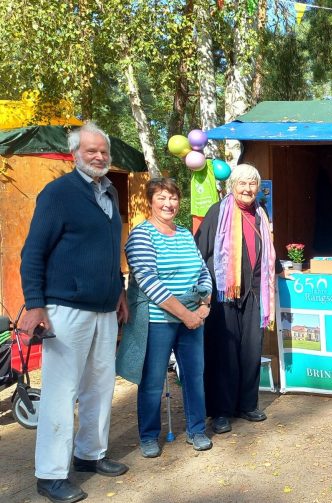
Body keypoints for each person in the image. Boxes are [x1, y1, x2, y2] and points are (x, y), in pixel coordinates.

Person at [20, 122, 129, 503]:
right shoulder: (58, 193)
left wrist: (119, 290)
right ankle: (49, 475)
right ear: (74, 154)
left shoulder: (109, 194)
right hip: (65, 309)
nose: (98, 156)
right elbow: (33, 252)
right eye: (90, 151)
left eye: (103, 151)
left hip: (103, 309)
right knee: (60, 392)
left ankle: (90, 454)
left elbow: (107, 248)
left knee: (100, 386)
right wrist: (35, 305)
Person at [118, 178, 213, 458]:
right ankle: (148, 435)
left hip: (193, 318)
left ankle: (196, 430)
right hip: (158, 320)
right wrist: (186, 315)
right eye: (161, 198)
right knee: (152, 380)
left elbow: (202, 270)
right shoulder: (141, 235)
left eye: (173, 198)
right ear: (150, 201)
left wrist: (205, 304)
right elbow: (148, 281)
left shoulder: (184, 233)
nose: (168, 204)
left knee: (194, 377)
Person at [195, 164, 280, 435]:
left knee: (250, 350)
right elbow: (200, 252)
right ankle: (221, 411)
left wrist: (279, 270)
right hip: (223, 294)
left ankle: (247, 404)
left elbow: (266, 251)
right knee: (223, 353)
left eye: (252, 184)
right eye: (242, 184)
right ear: (233, 186)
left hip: (254, 293)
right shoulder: (218, 212)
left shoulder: (260, 214)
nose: (247, 189)